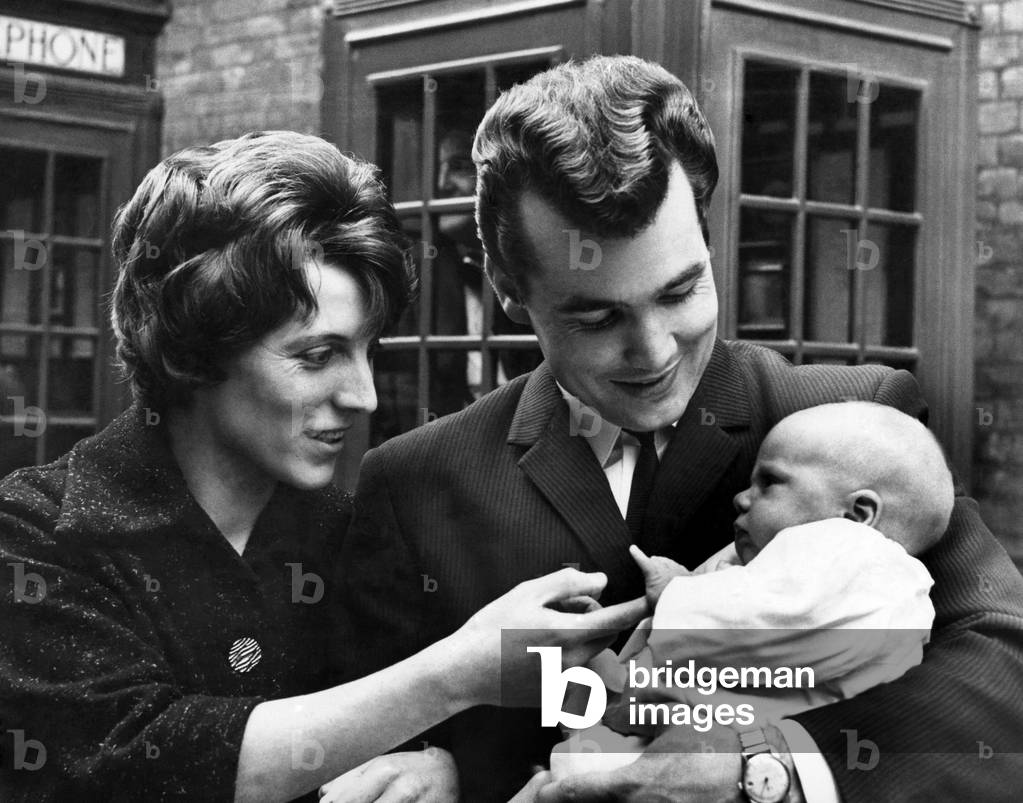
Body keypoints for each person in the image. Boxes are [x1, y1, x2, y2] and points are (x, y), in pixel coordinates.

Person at [338, 55, 1023, 802]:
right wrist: (443, 766)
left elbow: (1001, 659)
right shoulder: (413, 481)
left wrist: (768, 770)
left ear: (706, 239)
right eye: (598, 316)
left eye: (681, 291)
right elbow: (367, 725)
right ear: (508, 289)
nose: (655, 351)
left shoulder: (855, 421)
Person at [0, 131, 645, 802]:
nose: (363, 396)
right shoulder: (35, 536)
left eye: (368, 350)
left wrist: (441, 767)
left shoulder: (352, 530)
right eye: (316, 356)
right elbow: (136, 760)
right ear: (190, 351)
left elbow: (419, 731)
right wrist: (452, 676)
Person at [549, 401, 952, 779]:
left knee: (587, 759)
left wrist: (676, 592)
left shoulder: (864, 559)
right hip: (710, 738)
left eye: (770, 482)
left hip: (725, 754)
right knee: (588, 745)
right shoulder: (824, 575)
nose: (742, 498)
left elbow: (777, 617)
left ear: (857, 514)